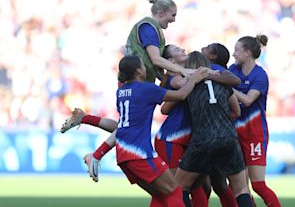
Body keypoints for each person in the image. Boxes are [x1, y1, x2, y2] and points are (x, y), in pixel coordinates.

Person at [59, 0, 194, 134]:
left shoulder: (153, 29)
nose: (174, 19)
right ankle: (94, 152)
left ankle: (85, 121)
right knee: (129, 128)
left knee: (128, 127)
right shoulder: (148, 28)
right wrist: (184, 72)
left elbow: (155, 66)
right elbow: (156, 60)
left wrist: (168, 78)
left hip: (136, 81)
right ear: (161, 13)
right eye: (173, 15)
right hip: (134, 82)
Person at [86, 55, 208, 206]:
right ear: (138, 71)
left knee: (160, 196)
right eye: (143, 66)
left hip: (123, 155)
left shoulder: (122, 92)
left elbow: (127, 121)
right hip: (140, 154)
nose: (146, 68)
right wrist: (194, 79)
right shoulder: (146, 89)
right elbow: (181, 95)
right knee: (174, 191)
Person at [174, 51, 254, 207]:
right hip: (228, 137)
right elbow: (236, 111)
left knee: (180, 188)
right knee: (241, 190)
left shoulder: (189, 83)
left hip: (202, 139)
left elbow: (167, 107)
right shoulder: (223, 83)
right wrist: (220, 119)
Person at [229, 35, 281, 207]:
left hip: (255, 134)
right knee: (239, 187)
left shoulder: (260, 75)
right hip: (234, 134)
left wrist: (226, 86)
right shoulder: (232, 70)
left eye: (237, 50)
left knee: (258, 185)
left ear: (248, 52)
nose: (234, 53)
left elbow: (248, 100)